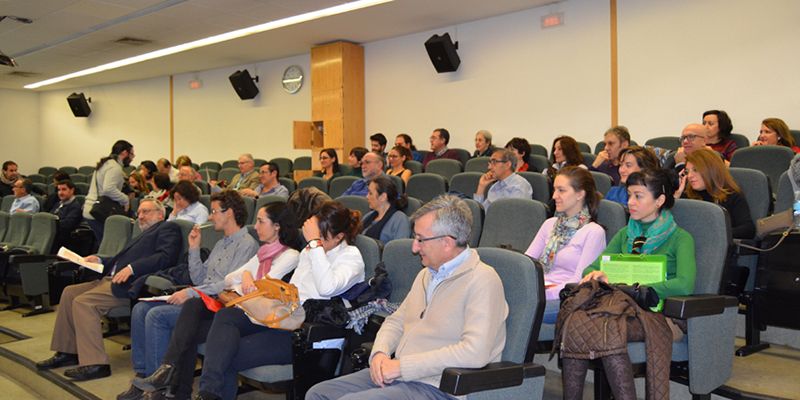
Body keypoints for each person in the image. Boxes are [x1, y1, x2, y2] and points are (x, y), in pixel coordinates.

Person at [134, 201, 363, 400]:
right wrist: (313, 248)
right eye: (315, 236)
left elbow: (326, 288)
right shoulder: (309, 252)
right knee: (226, 316)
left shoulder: (350, 257)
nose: (316, 240)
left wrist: (314, 245)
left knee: (226, 354)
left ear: (340, 236)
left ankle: (205, 392)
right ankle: (206, 393)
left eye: (321, 235)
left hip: (307, 333)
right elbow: (294, 291)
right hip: (284, 316)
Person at [306, 195, 508, 400]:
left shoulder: (482, 280)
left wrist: (402, 367)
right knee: (318, 394)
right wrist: (380, 353)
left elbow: (475, 352)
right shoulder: (427, 274)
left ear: (447, 242)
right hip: (402, 376)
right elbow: (396, 321)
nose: (414, 247)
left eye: (421, 239)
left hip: (440, 386)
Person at [567, 168, 696, 400]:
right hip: (620, 308)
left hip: (662, 314)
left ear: (660, 200)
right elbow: (590, 268)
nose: (630, 202)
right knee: (575, 320)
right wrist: (596, 274)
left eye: (638, 196)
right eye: (629, 196)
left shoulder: (681, 238)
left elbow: (685, 284)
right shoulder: (626, 234)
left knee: (610, 330)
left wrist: (642, 288)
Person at [122, 191, 259, 398]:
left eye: (214, 211)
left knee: (156, 316)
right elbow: (200, 277)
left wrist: (192, 292)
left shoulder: (247, 244)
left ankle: (156, 387)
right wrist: (194, 249)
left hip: (215, 305)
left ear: (229, 213)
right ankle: (144, 376)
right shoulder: (221, 243)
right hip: (200, 298)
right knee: (141, 309)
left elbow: (229, 284)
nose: (211, 216)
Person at [36, 198, 181, 381]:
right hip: (108, 278)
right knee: (69, 292)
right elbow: (120, 259)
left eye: (146, 212)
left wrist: (132, 268)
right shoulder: (142, 234)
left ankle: (96, 363)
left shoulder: (168, 228)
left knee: (83, 302)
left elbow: (165, 257)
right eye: (139, 213)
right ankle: (68, 351)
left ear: (161, 214)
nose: (141, 216)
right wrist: (99, 260)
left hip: (130, 284)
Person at [524, 167, 606, 323]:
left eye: (561, 190)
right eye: (554, 190)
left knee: (513, 311)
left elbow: (579, 282)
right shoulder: (550, 224)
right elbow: (527, 263)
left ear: (580, 194)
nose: (554, 196)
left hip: (565, 298)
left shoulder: (593, 232)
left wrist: (539, 293)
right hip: (538, 292)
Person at [675, 148, 754, 239]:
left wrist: (716, 234)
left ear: (711, 170)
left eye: (695, 170)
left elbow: (748, 229)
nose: (689, 176)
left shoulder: (731, 195)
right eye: (687, 171)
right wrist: (676, 199)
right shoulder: (686, 195)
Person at [84, 140, 134, 242]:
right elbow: (108, 189)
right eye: (132, 154)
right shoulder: (114, 167)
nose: (133, 157)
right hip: (98, 211)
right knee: (109, 245)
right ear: (124, 153)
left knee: (104, 244)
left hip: (91, 209)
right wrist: (125, 199)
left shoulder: (106, 164)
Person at [362, 175, 411, 243]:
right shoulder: (368, 216)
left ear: (383, 197)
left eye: (370, 193)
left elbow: (400, 251)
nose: (367, 196)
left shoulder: (400, 220)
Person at [49, 180, 83, 253]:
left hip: (63, 240)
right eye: (59, 190)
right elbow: (49, 217)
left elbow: (67, 225)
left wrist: (50, 224)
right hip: (52, 234)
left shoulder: (75, 206)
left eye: (64, 189)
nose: (60, 193)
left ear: (72, 190)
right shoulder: (58, 204)